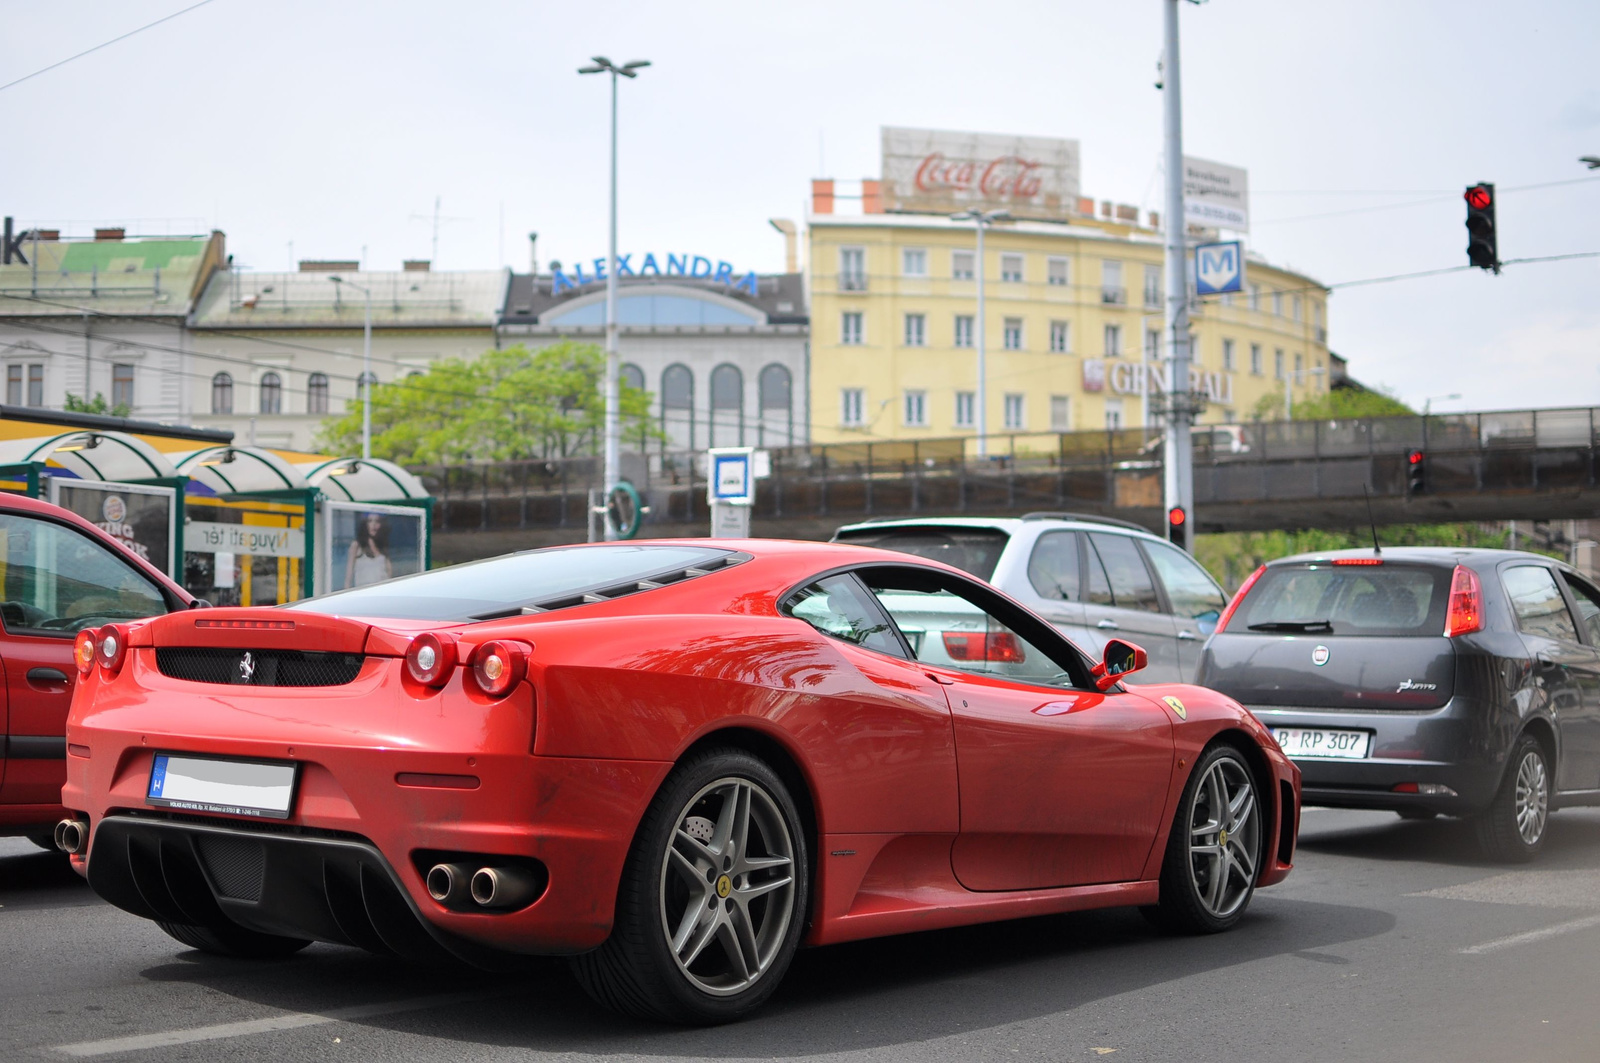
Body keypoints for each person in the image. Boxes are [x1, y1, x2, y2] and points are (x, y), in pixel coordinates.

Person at [345, 512, 392, 588]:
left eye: (377, 521)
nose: (373, 525)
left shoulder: (382, 547)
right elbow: (349, 574)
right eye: (370, 521)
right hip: (364, 592)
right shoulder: (357, 546)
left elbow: (389, 573)